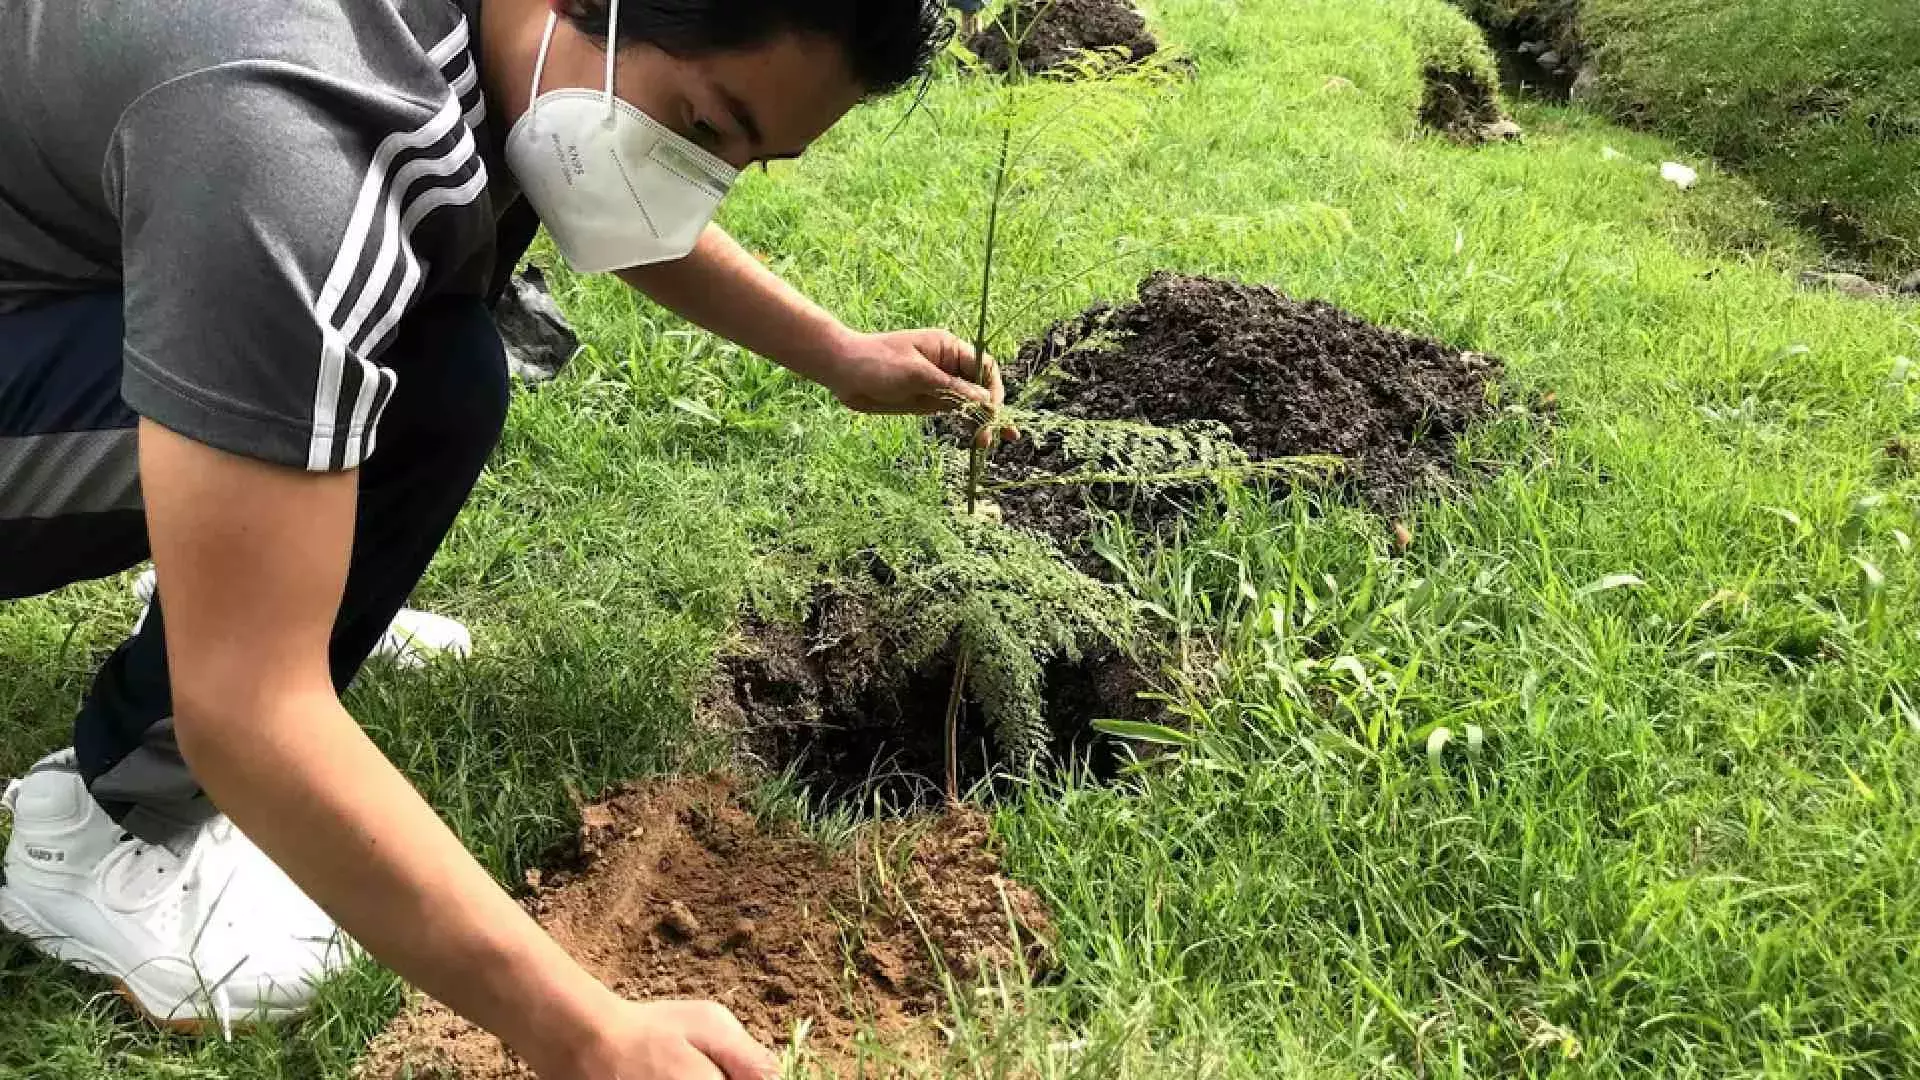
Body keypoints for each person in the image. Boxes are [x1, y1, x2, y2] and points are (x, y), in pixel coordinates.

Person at [0, 0, 1003, 1075]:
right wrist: (588, 1033)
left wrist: (835, 352)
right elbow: (249, 708)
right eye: (707, 128)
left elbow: (606, 169)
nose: (694, 174)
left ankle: (261, 545)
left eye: (744, 159)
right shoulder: (297, 121)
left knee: (434, 361)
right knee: (410, 384)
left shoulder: (507, 36)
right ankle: (100, 832)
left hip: (63, 262)